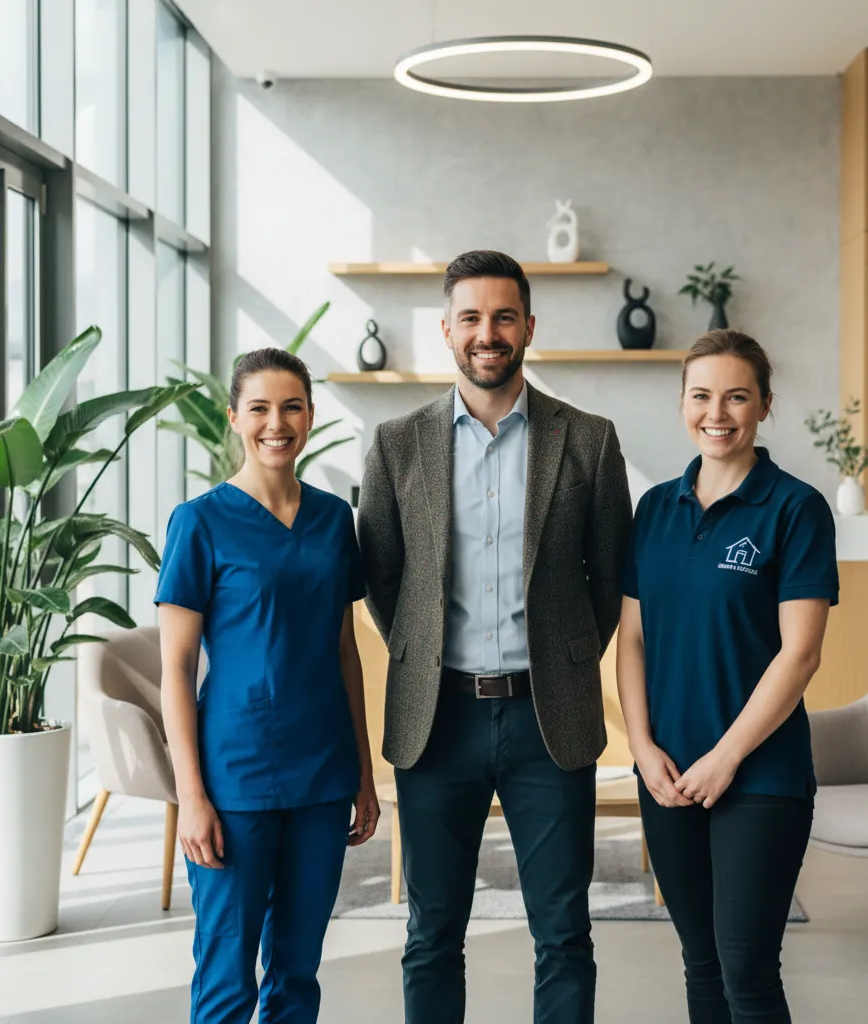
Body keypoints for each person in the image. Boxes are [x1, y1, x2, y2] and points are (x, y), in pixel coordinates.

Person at [357, 250, 632, 1024]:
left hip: (552, 718)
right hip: (436, 719)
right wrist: (426, 652)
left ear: (529, 327)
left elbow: (609, 580)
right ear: (446, 330)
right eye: (471, 318)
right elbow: (383, 576)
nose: (488, 333)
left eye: (504, 317)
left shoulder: (588, 440)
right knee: (433, 931)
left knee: (564, 931)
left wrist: (566, 653)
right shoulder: (395, 444)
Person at [616, 328, 838, 1024]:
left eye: (737, 396)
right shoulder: (654, 509)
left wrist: (726, 757)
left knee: (746, 967)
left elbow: (800, 654)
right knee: (701, 962)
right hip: (668, 774)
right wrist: (642, 747)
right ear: (682, 402)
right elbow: (632, 638)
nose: (718, 412)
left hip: (760, 776)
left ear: (765, 405)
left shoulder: (794, 508)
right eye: (702, 395)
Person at [156, 347, 380, 1024]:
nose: (275, 423)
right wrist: (191, 796)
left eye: (291, 406)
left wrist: (364, 774)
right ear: (234, 418)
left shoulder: (334, 521)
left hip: (322, 774)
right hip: (235, 777)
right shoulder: (199, 522)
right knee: (227, 976)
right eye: (259, 408)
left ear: (310, 416)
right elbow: (174, 668)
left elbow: (345, 652)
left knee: (297, 971)